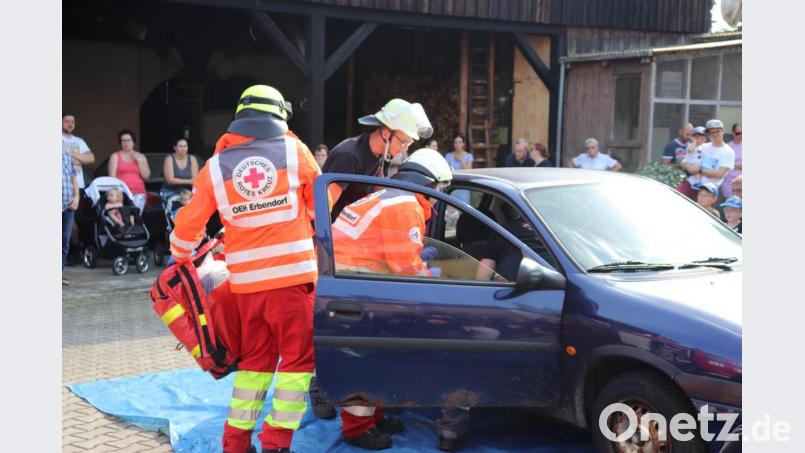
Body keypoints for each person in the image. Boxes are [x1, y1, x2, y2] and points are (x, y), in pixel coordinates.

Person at [170, 85, 321, 453]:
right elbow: (322, 206)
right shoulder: (295, 151)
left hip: (247, 289)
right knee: (297, 363)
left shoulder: (215, 167)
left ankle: (235, 443)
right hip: (293, 282)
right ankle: (275, 443)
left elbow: (187, 229)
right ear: (278, 117)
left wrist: (181, 256)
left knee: (255, 362)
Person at [331, 148, 452, 450]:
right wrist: (435, 285)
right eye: (439, 190)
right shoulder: (406, 206)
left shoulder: (391, 196)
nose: (438, 197)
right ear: (429, 184)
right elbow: (406, 269)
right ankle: (358, 428)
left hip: (352, 283)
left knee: (376, 356)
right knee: (366, 361)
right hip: (356, 287)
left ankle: (374, 417)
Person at [322, 98, 433, 219]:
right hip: (334, 230)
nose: (405, 149)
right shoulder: (350, 156)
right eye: (403, 143)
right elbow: (324, 206)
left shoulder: (384, 155)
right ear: (386, 134)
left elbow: (377, 192)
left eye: (408, 144)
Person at [681, 119, 735, 195]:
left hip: (708, 190)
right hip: (690, 183)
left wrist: (699, 169)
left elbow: (720, 174)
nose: (715, 134)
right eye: (711, 132)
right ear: (708, 134)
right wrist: (686, 166)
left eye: (717, 131)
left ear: (723, 131)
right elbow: (685, 160)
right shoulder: (703, 146)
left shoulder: (728, 151)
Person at [108, 130, 151, 213]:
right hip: (121, 193)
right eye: (123, 141)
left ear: (133, 142)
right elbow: (112, 178)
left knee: (135, 217)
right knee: (123, 217)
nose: (126, 143)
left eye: (128, 140)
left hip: (138, 192)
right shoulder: (115, 156)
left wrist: (139, 160)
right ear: (120, 143)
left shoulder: (140, 156)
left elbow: (146, 176)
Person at [62, 142, 80, 286]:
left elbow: (74, 178)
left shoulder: (66, 153)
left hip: (68, 205)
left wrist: (76, 197)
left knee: (64, 241)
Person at [721, 123, 742, 198]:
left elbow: (729, 165)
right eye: (738, 133)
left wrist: (731, 165)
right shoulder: (726, 147)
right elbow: (723, 165)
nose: (740, 135)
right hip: (728, 182)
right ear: (732, 133)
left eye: (742, 133)